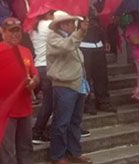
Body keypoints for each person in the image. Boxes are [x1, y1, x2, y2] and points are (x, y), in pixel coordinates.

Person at [46, 11, 91, 164]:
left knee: (75, 121)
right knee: (61, 122)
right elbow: (66, 47)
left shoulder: (70, 38)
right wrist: (81, 32)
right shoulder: (54, 38)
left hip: (77, 83)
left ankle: (74, 152)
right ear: (62, 24)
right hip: (64, 85)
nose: (73, 25)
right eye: (71, 22)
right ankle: (58, 155)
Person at [0, 18, 39, 164]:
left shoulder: (26, 51)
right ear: (3, 33)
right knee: (8, 150)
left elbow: (35, 74)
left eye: (17, 30)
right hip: (7, 109)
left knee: (26, 147)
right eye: (11, 31)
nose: (15, 34)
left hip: (25, 107)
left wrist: (34, 81)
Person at [82, 0, 116, 114]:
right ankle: (86, 103)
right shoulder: (81, 8)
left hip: (98, 45)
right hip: (85, 46)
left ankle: (103, 101)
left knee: (101, 76)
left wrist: (106, 40)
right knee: (86, 77)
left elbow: (101, 25)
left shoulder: (98, 8)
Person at [31, 11, 54, 144]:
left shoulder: (34, 27)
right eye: (51, 13)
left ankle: (40, 130)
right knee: (48, 102)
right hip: (48, 66)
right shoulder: (48, 25)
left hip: (39, 65)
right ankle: (37, 131)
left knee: (48, 101)